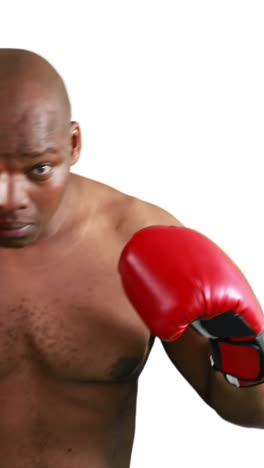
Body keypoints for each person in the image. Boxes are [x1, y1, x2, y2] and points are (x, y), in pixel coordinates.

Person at [0, 48, 263, 468]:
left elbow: (249, 411)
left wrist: (239, 343)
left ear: (72, 144)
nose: (8, 200)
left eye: (38, 170)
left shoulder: (142, 240)